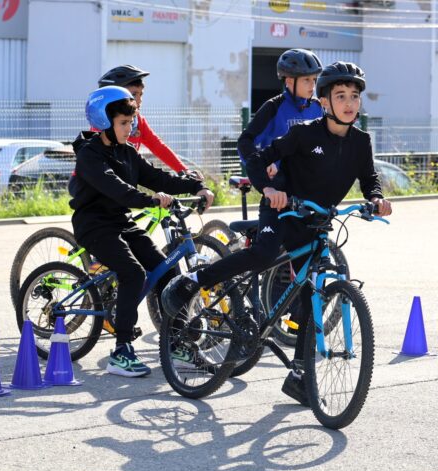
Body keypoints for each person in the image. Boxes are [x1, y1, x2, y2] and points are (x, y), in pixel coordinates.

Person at [162, 62, 393, 404]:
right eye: (340, 95)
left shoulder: (361, 141)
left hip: (315, 219)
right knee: (264, 254)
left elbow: (369, 178)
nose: (349, 102)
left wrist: (376, 198)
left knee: (309, 291)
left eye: (355, 96)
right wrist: (269, 188)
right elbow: (258, 159)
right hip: (282, 208)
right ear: (324, 102)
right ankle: (194, 281)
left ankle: (300, 375)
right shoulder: (303, 133)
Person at [70, 86, 214, 378]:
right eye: (123, 122)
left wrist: (195, 185)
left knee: (167, 272)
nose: (130, 127)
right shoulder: (90, 156)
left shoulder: (126, 153)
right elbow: (118, 190)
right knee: (134, 273)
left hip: (121, 222)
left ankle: (176, 341)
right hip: (94, 224)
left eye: (131, 121)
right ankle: (121, 351)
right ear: (104, 121)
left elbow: (158, 177)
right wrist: (151, 200)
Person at [237, 48, 324, 183]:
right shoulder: (273, 107)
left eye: (314, 79)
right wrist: (262, 164)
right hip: (279, 188)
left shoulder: (318, 107)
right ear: (289, 81)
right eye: (306, 79)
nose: (312, 85)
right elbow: (245, 141)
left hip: (311, 185)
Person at [98, 64, 192, 175]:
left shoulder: (138, 121)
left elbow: (157, 146)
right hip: (94, 184)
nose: (139, 100)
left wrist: (183, 170)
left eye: (141, 94)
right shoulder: (102, 122)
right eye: (133, 94)